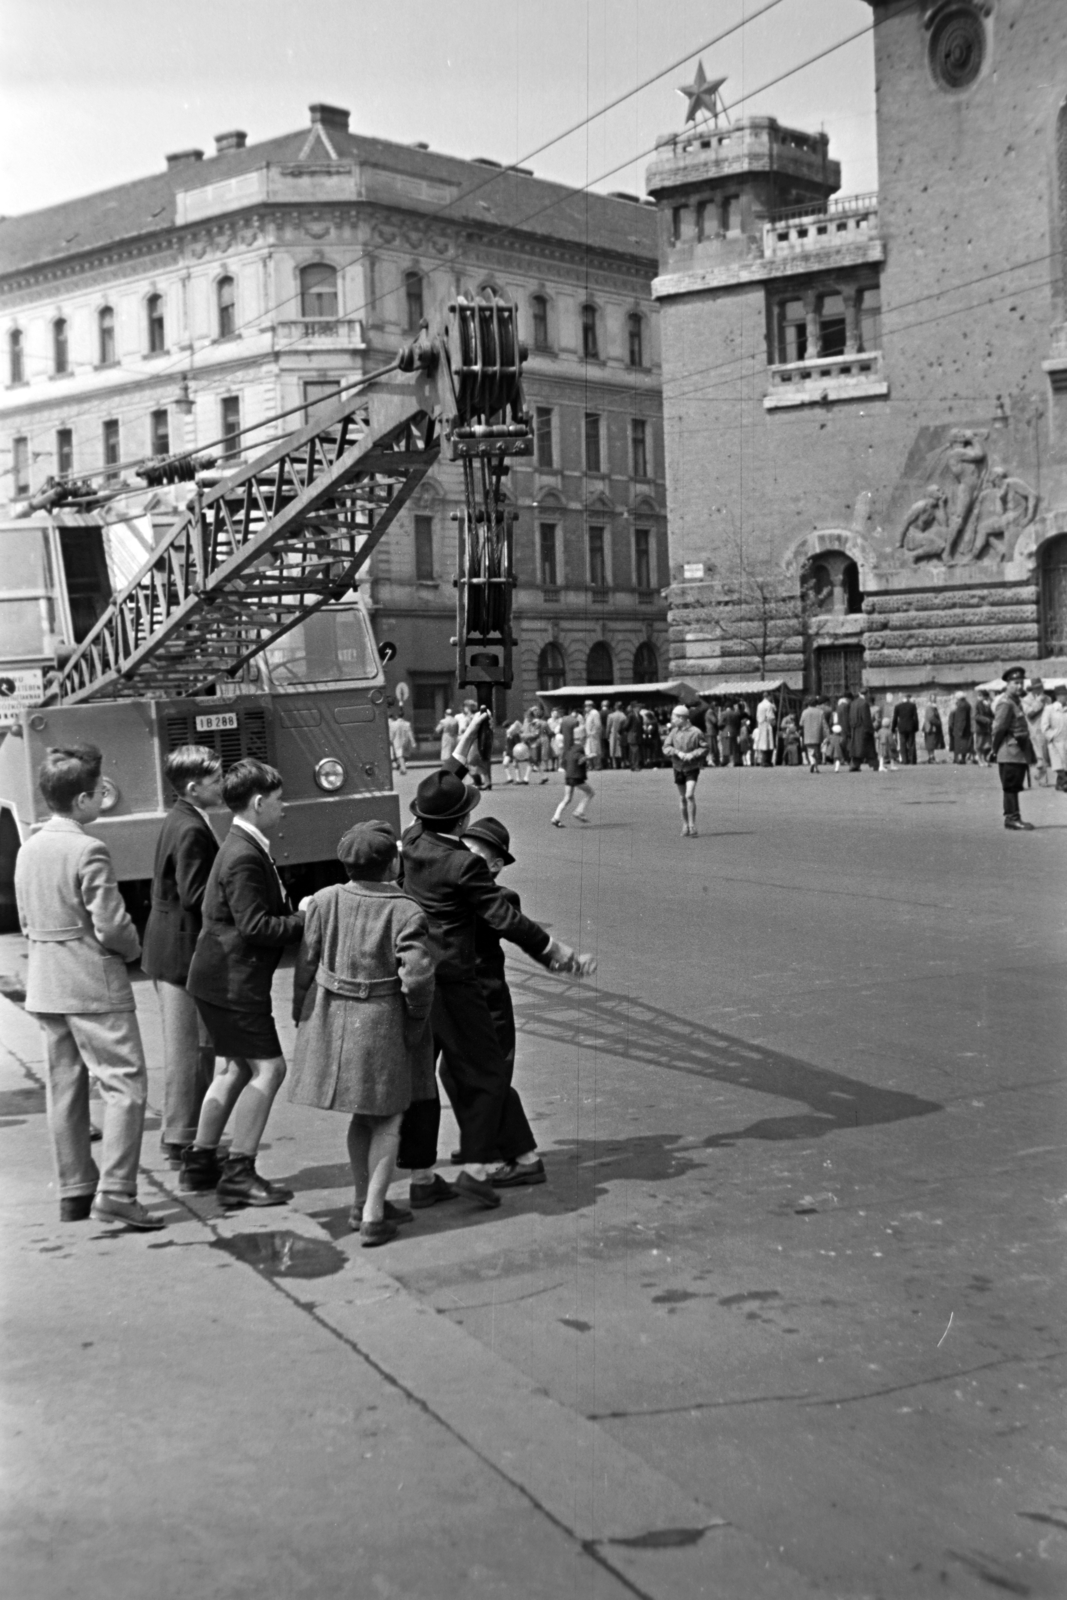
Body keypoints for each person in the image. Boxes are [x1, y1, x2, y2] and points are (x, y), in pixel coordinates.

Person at [396, 717, 575, 1208]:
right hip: (456, 983)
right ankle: (482, 1166)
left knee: (420, 1079)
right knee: (487, 1073)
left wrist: (462, 745)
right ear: (459, 825)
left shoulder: (413, 844)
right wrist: (552, 950)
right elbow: (503, 917)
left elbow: (435, 794)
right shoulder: (465, 864)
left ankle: (420, 1176)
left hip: (415, 979)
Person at [14, 744, 163, 1230]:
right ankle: (117, 1191)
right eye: (98, 793)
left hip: (46, 983)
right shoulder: (88, 849)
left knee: (66, 1089)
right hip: (91, 983)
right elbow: (113, 927)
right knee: (125, 1084)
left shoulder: (29, 845)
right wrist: (135, 952)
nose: (103, 799)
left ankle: (76, 1190)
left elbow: (24, 918)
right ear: (81, 800)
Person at [289, 822, 435, 1247]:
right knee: (389, 1118)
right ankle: (374, 1213)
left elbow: (306, 961)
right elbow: (419, 978)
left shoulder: (322, 900)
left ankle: (359, 1201)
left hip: (335, 1019)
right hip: (382, 1023)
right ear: (393, 864)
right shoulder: (406, 910)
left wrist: (302, 1012)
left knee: (360, 1114)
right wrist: (416, 1021)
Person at [182, 759, 305, 1206]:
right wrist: (304, 920)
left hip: (216, 980)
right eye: (277, 800)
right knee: (270, 1069)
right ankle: (239, 1170)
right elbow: (256, 927)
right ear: (258, 802)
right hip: (234, 983)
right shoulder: (243, 855)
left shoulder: (240, 843)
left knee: (234, 1067)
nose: (284, 807)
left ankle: (199, 1164)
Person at [463, 815, 595, 1186]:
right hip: (459, 996)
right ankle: (485, 1140)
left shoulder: (500, 897)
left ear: (495, 865)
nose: (462, 859)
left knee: (492, 1073)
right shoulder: (452, 886)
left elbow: (521, 932)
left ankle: (521, 1156)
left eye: (472, 854)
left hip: (487, 995)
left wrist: (560, 961)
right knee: (458, 1071)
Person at [140, 745, 222, 1167]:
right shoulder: (191, 828)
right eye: (215, 780)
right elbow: (195, 895)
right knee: (190, 1050)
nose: (222, 785)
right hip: (182, 950)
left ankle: (186, 1136)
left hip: (169, 946)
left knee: (192, 1048)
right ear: (193, 787)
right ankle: (181, 1140)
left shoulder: (181, 817)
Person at [991, 667, 1035, 830]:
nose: (1019, 686)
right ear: (1008, 684)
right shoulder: (1005, 703)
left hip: (1017, 751)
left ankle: (1013, 816)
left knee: (1014, 785)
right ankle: (1011, 818)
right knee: (1010, 786)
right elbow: (998, 728)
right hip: (1009, 751)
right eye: (1015, 683)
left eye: (1021, 683)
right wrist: (994, 749)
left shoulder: (1016, 702)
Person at [661, 703, 708, 836]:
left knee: (689, 795)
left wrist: (692, 754)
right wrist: (677, 752)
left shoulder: (696, 732)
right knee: (682, 798)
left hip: (692, 768)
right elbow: (665, 747)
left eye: (674, 717)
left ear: (682, 718)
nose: (671, 720)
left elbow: (705, 748)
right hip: (678, 767)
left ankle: (692, 825)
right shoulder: (673, 732)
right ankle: (685, 825)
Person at [551, 734, 595, 827]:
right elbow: (580, 760)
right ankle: (579, 811)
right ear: (582, 740)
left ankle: (556, 817)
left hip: (568, 776)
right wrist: (590, 756)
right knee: (590, 792)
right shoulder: (579, 749)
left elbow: (564, 763)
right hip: (577, 777)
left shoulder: (569, 750)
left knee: (567, 798)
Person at [1022, 678, 1049, 785]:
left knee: (1043, 756)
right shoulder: (1025, 700)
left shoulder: (1048, 698)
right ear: (1033, 689)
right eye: (1038, 688)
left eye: (1042, 687)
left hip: (1047, 730)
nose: (1041, 689)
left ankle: (1041, 775)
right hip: (1035, 730)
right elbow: (1029, 714)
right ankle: (1042, 778)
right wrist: (1039, 702)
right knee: (1041, 755)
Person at [1040, 684, 1067, 793]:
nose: (1066, 697)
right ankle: (1064, 783)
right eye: (1064, 695)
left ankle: (1060, 784)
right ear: (1058, 696)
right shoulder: (1049, 709)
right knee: (1058, 764)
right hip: (1055, 742)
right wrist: (1052, 736)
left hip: (1066, 741)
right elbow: (1044, 727)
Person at [849, 688, 878, 772]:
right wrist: (871, 730)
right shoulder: (864, 704)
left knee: (856, 749)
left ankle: (854, 765)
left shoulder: (853, 703)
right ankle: (874, 764)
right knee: (869, 749)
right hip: (863, 729)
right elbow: (866, 719)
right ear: (867, 694)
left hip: (854, 728)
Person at [800, 696, 830, 773]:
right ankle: (816, 767)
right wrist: (827, 733)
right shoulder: (820, 712)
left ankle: (812, 762)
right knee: (817, 751)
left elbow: (801, 723)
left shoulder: (805, 712)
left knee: (810, 751)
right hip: (817, 734)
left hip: (808, 734)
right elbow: (824, 724)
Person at [892, 693, 919, 765]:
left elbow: (895, 718)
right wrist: (916, 727)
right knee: (911, 744)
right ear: (908, 698)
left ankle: (905, 760)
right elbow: (915, 717)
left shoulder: (898, 706)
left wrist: (893, 728)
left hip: (902, 727)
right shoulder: (912, 706)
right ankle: (912, 760)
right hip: (910, 726)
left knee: (902, 744)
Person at [948, 693, 973, 764]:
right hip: (965, 728)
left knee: (960, 744)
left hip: (960, 728)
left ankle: (960, 759)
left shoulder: (961, 705)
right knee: (963, 744)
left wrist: (960, 730)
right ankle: (962, 758)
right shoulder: (967, 704)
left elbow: (962, 719)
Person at [754, 692, 776, 767]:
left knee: (763, 743)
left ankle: (763, 760)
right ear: (768, 696)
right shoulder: (769, 705)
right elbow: (770, 716)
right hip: (767, 725)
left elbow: (757, 716)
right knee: (768, 744)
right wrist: (773, 723)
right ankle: (767, 761)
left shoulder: (759, 705)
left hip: (761, 725)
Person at [974, 690, 994, 764]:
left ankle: (984, 759)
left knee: (987, 745)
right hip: (980, 727)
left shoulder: (987, 704)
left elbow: (991, 714)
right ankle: (980, 759)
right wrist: (986, 719)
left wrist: (992, 719)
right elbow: (976, 716)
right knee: (980, 745)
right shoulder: (978, 704)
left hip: (987, 728)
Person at [583, 699, 602, 770]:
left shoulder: (594, 713)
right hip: (588, 736)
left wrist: (593, 733)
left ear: (591, 706)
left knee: (595, 751)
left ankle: (597, 765)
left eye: (587, 706)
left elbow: (598, 725)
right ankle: (590, 765)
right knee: (589, 751)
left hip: (593, 735)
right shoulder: (588, 714)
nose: (586, 708)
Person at [607, 702, 626, 768]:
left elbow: (608, 727)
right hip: (621, 735)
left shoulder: (611, 716)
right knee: (620, 750)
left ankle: (614, 765)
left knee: (613, 750)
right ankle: (621, 764)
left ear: (615, 707)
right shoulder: (623, 715)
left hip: (612, 734)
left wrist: (607, 735)